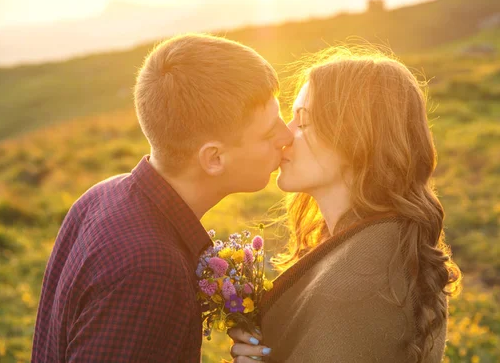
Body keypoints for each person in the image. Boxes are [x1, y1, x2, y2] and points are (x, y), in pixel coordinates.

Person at [31, 33, 293, 362]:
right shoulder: (151, 272)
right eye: (270, 132)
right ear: (213, 159)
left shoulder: (101, 195)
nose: (287, 136)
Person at [228, 47, 462, 362]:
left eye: (304, 121)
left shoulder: (360, 281)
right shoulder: (380, 244)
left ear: (356, 139)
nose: (285, 134)